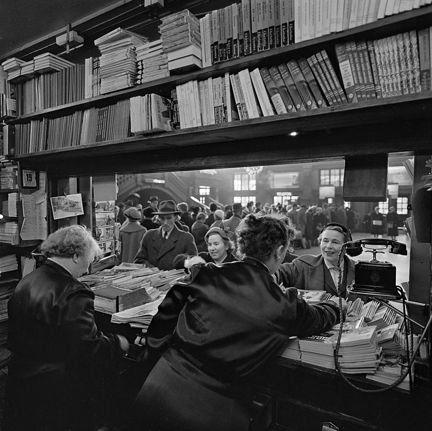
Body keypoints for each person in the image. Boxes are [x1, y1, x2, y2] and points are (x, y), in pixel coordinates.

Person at [129, 214, 340, 431]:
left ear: (242, 246)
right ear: (279, 251)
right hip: (217, 413)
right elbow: (320, 317)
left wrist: (152, 358)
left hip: (158, 390)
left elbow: (164, 317)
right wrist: (334, 306)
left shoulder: (205, 274)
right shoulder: (284, 305)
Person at [5, 225, 130, 431]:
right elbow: (87, 346)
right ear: (75, 256)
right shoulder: (74, 291)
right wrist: (118, 342)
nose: (88, 268)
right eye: (89, 259)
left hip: (21, 380)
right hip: (57, 390)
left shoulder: (27, 280)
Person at [278, 223, 355, 298]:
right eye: (325, 241)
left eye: (335, 242)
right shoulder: (302, 265)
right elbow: (277, 273)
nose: (328, 246)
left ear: (347, 247)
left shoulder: (358, 269)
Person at [134, 200, 198, 270]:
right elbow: (139, 260)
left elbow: (194, 264)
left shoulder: (186, 238)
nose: (165, 222)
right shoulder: (149, 235)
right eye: (162, 218)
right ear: (158, 218)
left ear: (176, 218)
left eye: (169, 218)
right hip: (152, 276)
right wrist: (151, 269)